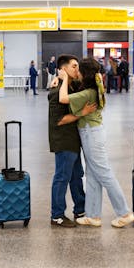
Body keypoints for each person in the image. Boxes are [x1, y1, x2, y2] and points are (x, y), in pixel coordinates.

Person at [59, 57, 134, 228]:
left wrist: (63, 79)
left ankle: (124, 212)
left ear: (84, 74)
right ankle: (93, 215)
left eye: (78, 69)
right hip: (93, 132)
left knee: (103, 172)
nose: (76, 71)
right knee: (93, 174)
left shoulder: (88, 93)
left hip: (90, 134)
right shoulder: (94, 87)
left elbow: (63, 98)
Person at [48, 54, 97, 228]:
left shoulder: (75, 86)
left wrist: (60, 77)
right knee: (62, 177)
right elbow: (59, 121)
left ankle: (80, 209)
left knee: (77, 176)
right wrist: (82, 113)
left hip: (75, 141)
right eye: (74, 66)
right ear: (64, 69)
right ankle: (57, 215)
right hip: (63, 141)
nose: (78, 69)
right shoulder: (56, 93)